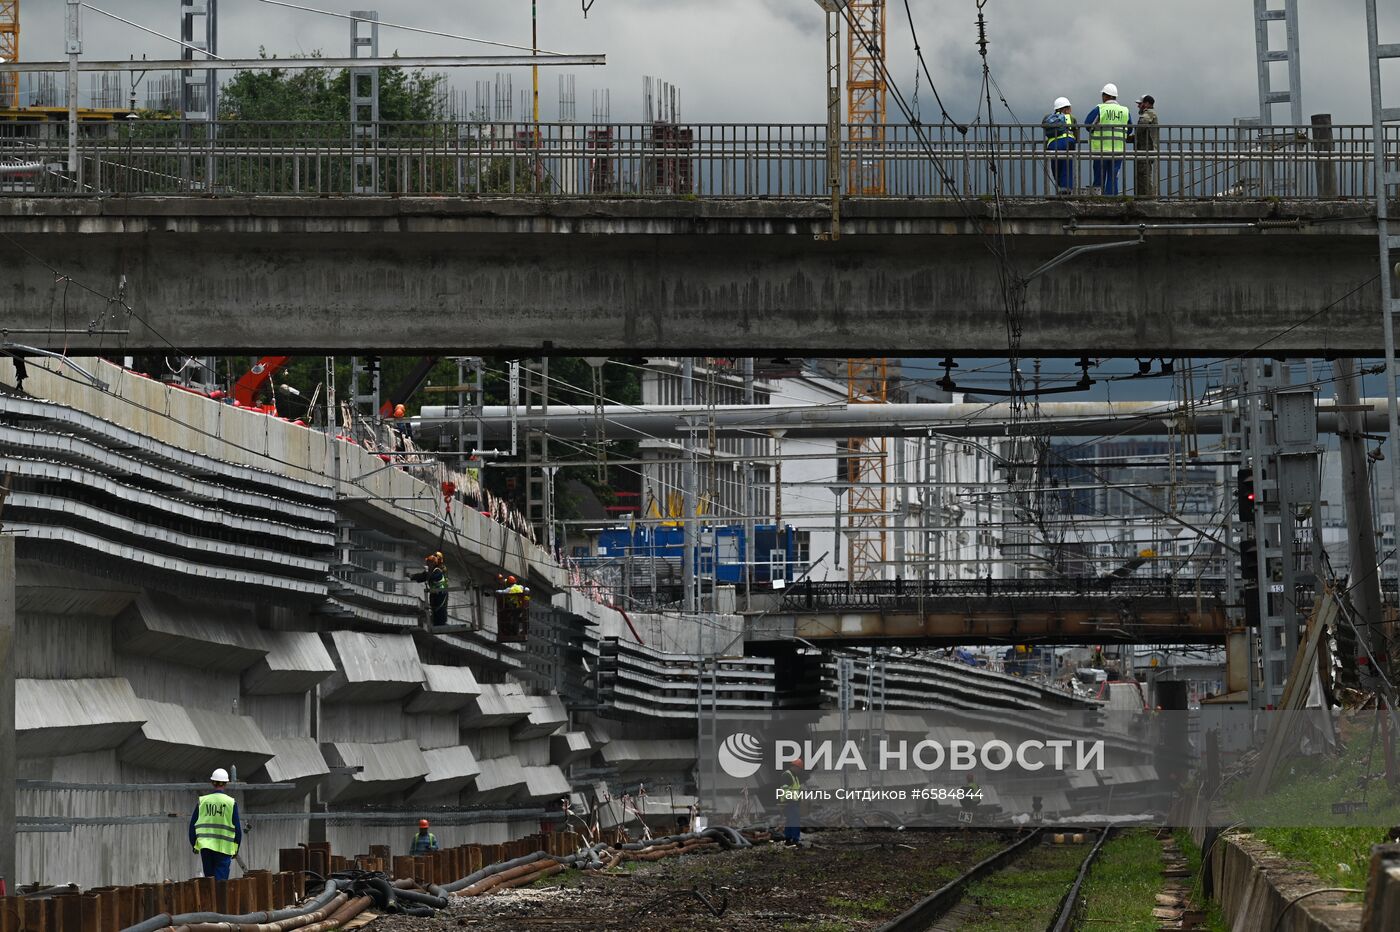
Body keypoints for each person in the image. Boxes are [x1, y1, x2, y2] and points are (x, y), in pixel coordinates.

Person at [190, 768, 241, 881]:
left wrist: (194, 844)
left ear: (212, 782)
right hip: (224, 848)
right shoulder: (231, 803)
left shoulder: (202, 801)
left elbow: (193, 825)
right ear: (226, 783)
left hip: (206, 847)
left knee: (209, 882)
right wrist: (235, 848)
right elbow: (237, 829)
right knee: (221, 883)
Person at [1082, 83, 1132, 195]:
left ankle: (1098, 198)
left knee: (1099, 175)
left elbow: (1087, 125)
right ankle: (1111, 199)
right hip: (1118, 150)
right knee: (1113, 176)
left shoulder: (1100, 109)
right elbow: (1130, 129)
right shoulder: (1125, 111)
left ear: (1105, 96)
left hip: (1101, 149)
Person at [1041, 96, 1077, 194]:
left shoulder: (1049, 118)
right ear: (1065, 109)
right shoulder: (1071, 118)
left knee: (1056, 167)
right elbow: (1076, 132)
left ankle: (1060, 187)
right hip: (1067, 143)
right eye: (1069, 108)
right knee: (1067, 166)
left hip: (1052, 145)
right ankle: (1066, 190)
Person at [411, 552, 448, 627]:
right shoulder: (431, 571)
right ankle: (436, 623)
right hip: (434, 593)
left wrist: (427, 573)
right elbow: (422, 576)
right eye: (428, 562)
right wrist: (413, 576)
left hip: (441, 593)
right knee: (434, 608)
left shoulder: (438, 571)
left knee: (440, 609)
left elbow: (433, 577)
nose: (428, 564)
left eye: (429, 563)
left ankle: (441, 624)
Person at [1133, 95, 1159, 197]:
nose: (1139, 106)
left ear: (1147, 104)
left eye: (1140, 104)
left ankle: (1147, 197)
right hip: (1144, 150)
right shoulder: (1149, 113)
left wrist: (1135, 133)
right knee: (1141, 175)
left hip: (1146, 150)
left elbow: (1142, 124)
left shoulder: (1149, 113)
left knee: (1144, 175)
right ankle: (1142, 197)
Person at [781, 758, 804, 847]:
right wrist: (790, 800)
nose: (799, 770)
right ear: (794, 767)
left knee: (790, 821)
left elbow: (796, 789)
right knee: (794, 821)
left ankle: (788, 839)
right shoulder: (787, 775)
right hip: (790, 802)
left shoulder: (794, 776)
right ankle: (795, 839)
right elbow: (785, 789)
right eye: (799, 768)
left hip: (793, 802)